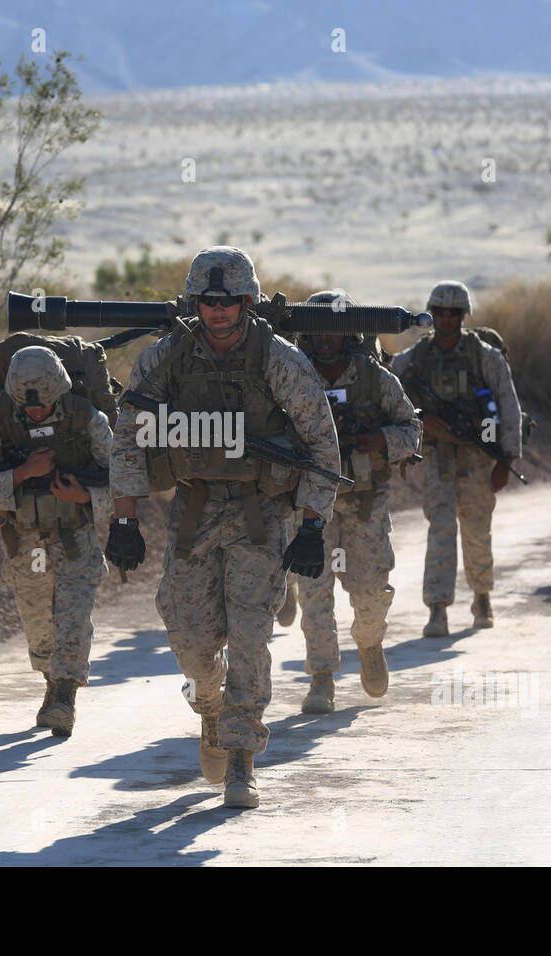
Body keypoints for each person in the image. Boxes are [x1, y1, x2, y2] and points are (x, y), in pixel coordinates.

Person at [105, 246, 340, 809]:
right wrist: (124, 519)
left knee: (252, 634)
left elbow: (321, 444)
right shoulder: (165, 360)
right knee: (190, 636)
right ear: (195, 302)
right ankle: (208, 706)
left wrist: (311, 526)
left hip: (261, 513)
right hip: (192, 509)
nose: (217, 311)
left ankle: (241, 757)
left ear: (247, 302)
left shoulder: (278, 360)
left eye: (228, 301)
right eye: (207, 301)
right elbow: (129, 436)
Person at [0, 346, 111, 737]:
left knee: (74, 616)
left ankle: (64, 696)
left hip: (76, 534)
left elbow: (127, 481)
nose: (38, 412)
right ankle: (50, 680)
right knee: (39, 625)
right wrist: (22, 474)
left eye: (46, 405)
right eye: (30, 407)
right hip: (26, 540)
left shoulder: (86, 418)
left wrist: (86, 498)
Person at [291, 291, 421, 713]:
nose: (324, 338)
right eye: (316, 329)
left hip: (365, 503)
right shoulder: (293, 374)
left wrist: (380, 439)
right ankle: (322, 678)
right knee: (314, 592)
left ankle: (369, 644)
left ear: (349, 332)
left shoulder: (372, 378)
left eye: (333, 328)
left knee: (369, 592)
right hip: (311, 501)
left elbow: (412, 428)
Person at [390, 280, 522, 638]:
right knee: (440, 529)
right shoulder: (414, 359)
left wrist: (506, 460)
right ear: (431, 314)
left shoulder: (484, 356)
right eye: (440, 312)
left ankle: (481, 596)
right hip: (437, 457)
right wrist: (419, 422)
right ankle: (437, 608)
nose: (446, 319)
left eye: (454, 313)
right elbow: (389, 395)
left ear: (464, 316)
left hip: (479, 457)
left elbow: (509, 407)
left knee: (478, 529)